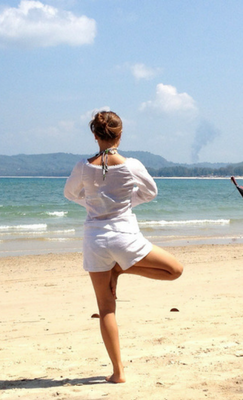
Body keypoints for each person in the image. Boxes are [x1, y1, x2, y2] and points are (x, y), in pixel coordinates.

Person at [64, 110, 183, 383]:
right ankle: (122, 269)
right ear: (120, 134)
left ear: (95, 135)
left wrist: (93, 203)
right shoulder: (132, 165)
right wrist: (126, 202)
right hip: (125, 237)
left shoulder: (83, 166)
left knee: (106, 309)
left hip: (95, 240)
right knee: (175, 270)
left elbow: (70, 193)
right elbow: (150, 192)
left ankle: (118, 373)